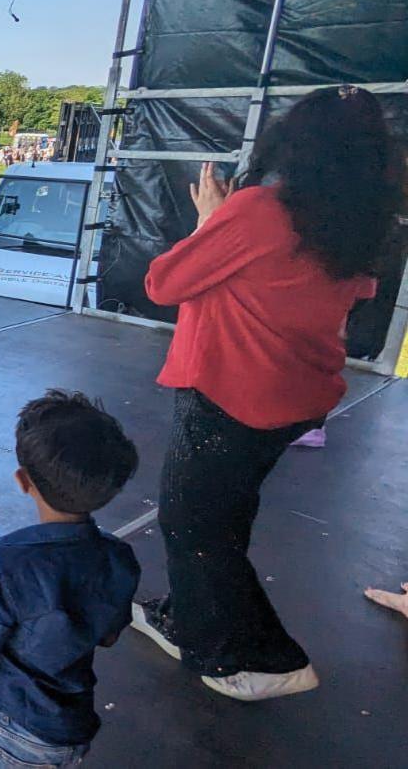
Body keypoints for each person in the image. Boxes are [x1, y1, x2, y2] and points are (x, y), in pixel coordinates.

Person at [129, 87, 404, 701]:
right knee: (223, 512)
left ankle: (262, 658)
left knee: (193, 524)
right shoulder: (358, 225)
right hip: (295, 397)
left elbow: (163, 282)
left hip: (232, 393)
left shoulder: (260, 211)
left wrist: (210, 222)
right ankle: (187, 616)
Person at [0, 392, 139, 769]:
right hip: (68, 731)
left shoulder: (12, 560)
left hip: (1, 725)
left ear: (22, 481)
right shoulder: (118, 559)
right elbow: (108, 635)